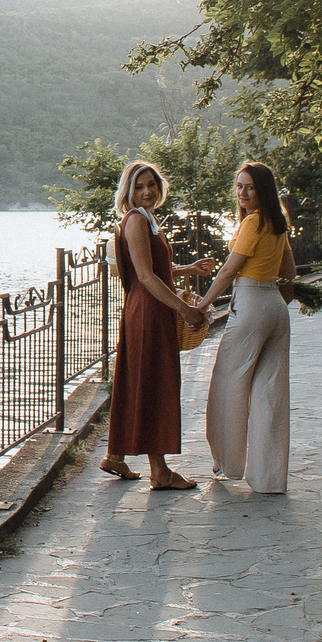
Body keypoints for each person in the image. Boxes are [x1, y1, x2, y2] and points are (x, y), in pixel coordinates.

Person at [102, 159, 214, 491]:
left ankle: (116, 455)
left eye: (151, 184)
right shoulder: (136, 221)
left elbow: (154, 268)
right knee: (154, 384)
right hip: (149, 311)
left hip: (148, 308)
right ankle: (160, 472)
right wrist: (185, 309)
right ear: (129, 191)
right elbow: (146, 277)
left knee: (139, 380)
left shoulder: (147, 219)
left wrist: (188, 269)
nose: (147, 191)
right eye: (139, 186)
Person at [199, 161, 298, 493]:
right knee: (271, 392)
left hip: (252, 304)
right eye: (239, 186)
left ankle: (228, 464)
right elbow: (291, 272)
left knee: (228, 384)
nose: (241, 193)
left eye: (249, 187)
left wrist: (203, 304)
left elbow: (228, 271)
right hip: (276, 307)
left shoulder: (254, 222)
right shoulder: (278, 224)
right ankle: (269, 479)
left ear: (262, 190)